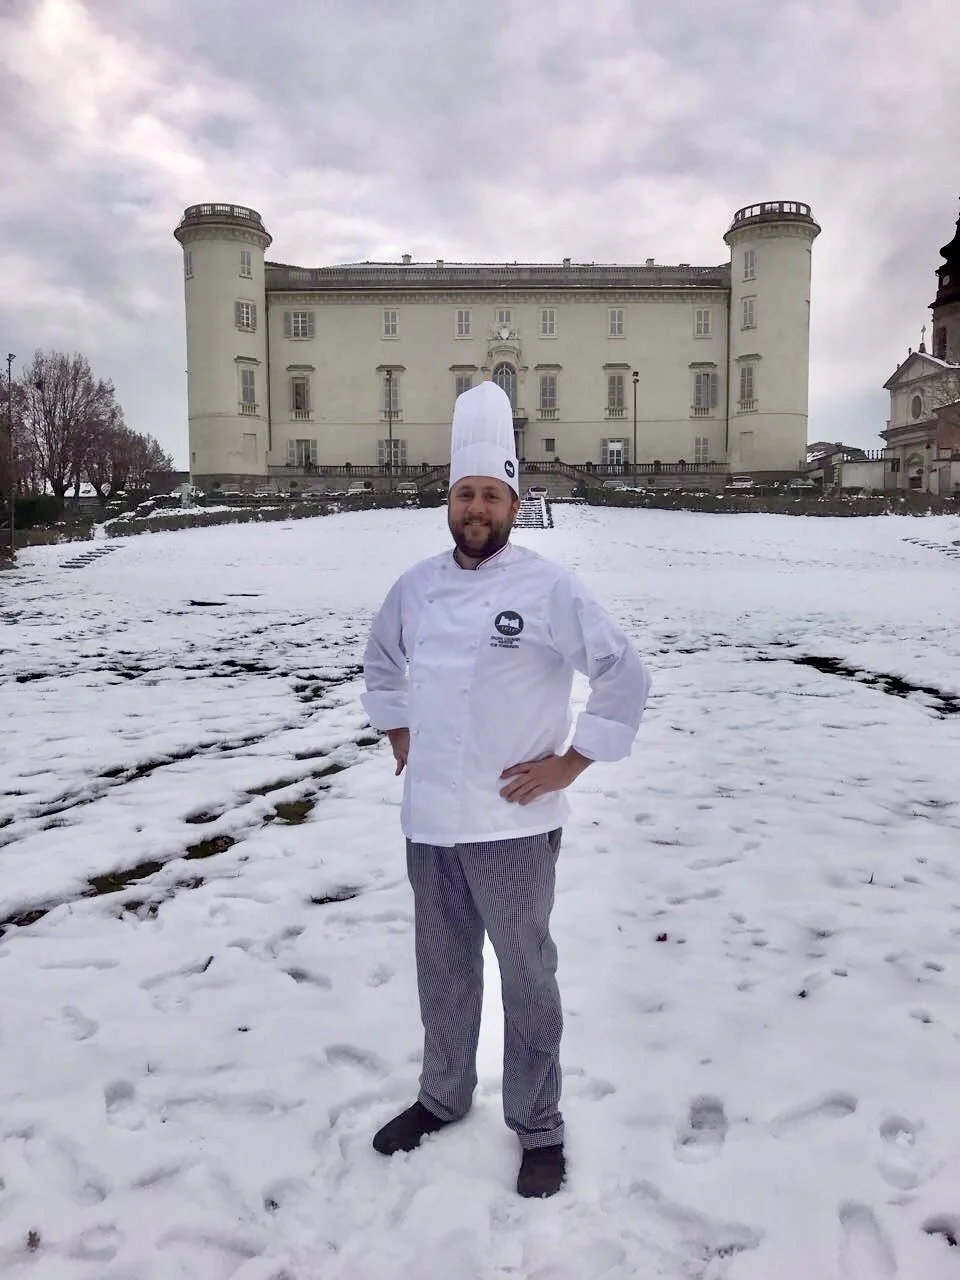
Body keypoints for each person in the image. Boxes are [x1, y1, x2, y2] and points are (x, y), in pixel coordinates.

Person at [361, 380, 651, 1198]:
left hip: (514, 824)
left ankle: (539, 1123)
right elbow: (382, 664)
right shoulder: (414, 587)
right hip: (431, 824)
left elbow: (624, 674)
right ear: (447, 500)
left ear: (514, 501)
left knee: (528, 975)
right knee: (442, 970)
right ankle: (443, 1095)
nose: (476, 506)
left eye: (491, 493)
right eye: (464, 493)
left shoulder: (548, 588)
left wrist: (573, 761)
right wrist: (399, 731)